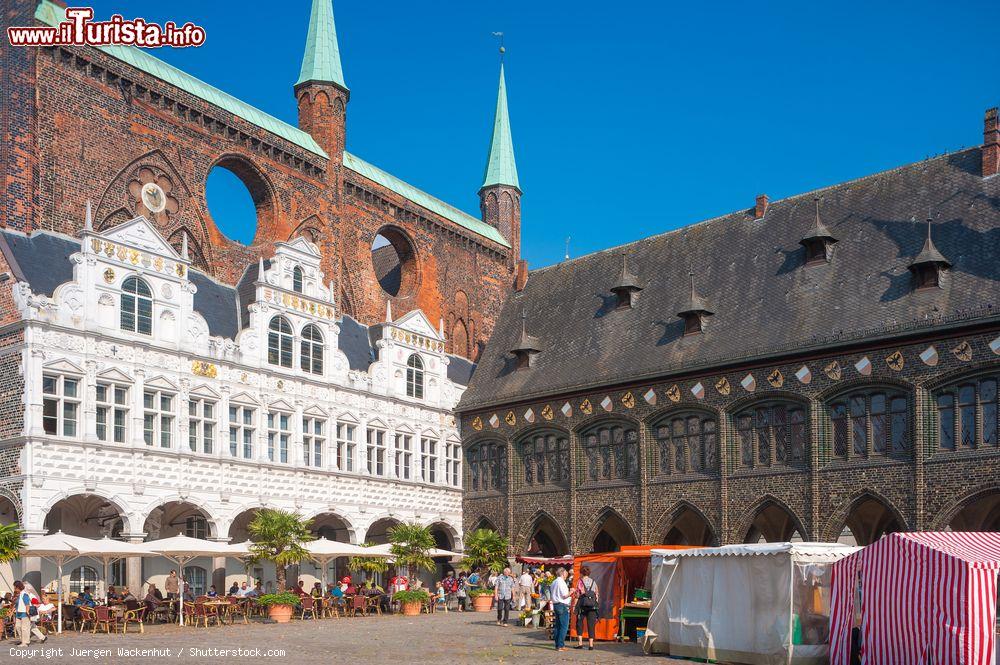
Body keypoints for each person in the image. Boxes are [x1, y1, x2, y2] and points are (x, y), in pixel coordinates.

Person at [572, 565, 599, 651]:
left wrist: (574, 606)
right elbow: (597, 595)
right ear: (589, 573)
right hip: (592, 607)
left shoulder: (580, 582)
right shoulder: (593, 582)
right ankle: (591, 645)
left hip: (582, 606)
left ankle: (580, 643)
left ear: (581, 572)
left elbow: (577, 595)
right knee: (591, 625)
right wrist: (595, 603)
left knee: (579, 623)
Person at [12, 581, 45, 646]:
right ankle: (22, 640)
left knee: (25, 628)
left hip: (24, 613)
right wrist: (14, 608)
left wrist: (27, 611)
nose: (14, 589)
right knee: (18, 627)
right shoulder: (19, 595)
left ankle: (25, 642)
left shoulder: (24, 594)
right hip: (19, 613)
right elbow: (18, 604)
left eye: (15, 587)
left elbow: (27, 603)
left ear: (18, 587)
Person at [551, 567, 571, 652]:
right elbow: (564, 595)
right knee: (564, 626)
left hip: (556, 604)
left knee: (558, 626)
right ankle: (560, 645)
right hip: (562, 604)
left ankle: (557, 645)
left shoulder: (554, 581)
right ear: (563, 573)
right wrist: (571, 591)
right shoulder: (561, 582)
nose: (567, 574)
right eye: (566, 573)